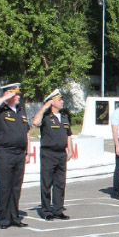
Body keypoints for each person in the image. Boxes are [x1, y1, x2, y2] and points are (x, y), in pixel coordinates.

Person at [0, 82, 31, 229]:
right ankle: (4, 218)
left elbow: (26, 133)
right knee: (5, 186)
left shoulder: (21, 111)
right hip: (4, 153)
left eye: (18, 94)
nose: (18, 96)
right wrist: (3, 99)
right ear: (7, 94)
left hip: (19, 153)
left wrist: (27, 152)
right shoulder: (0, 110)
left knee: (16, 186)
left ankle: (14, 217)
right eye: (14, 94)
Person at [33, 89, 74, 220]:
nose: (62, 102)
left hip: (61, 154)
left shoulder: (65, 117)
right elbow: (35, 123)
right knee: (46, 183)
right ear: (52, 102)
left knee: (60, 183)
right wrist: (44, 106)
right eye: (59, 99)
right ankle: (46, 210)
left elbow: (69, 134)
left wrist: (70, 149)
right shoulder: (45, 117)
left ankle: (58, 209)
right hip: (48, 153)